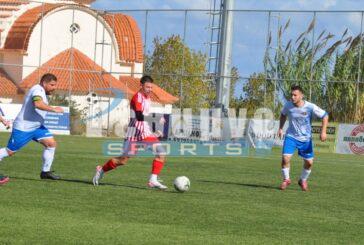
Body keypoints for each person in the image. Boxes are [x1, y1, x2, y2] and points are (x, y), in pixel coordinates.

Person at [92, 75, 168, 189]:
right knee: (122, 161)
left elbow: (145, 117)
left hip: (145, 133)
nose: (150, 90)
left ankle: (153, 180)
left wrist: (154, 130)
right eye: (148, 87)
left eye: (151, 87)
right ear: (141, 86)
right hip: (133, 134)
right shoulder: (137, 98)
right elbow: (139, 116)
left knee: (161, 153)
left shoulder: (148, 98)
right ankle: (101, 170)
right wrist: (156, 118)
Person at [0, 73, 64, 186]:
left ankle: (45, 172)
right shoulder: (37, 90)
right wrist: (54, 110)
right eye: (52, 85)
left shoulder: (42, 91)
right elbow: (38, 104)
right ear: (44, 83)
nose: (54, 88)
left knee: (51, 144)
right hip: (24, 128)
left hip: (37, 127)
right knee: (9, 152)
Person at [278, 85, 328, 191]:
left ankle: (302, 180)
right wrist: (280, 128)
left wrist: (323, 131)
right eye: (291, 95)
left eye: (295, 95)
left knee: (309, 163)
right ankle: (286, 179)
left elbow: (325, 115)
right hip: (291, 136)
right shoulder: (288, 105)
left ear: (301, 95)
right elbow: (283, 115)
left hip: (305, 139)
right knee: (285, 158)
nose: (292, 97)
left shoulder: (310, 106)